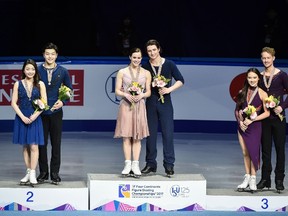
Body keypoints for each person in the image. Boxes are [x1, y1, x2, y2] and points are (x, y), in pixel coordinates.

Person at [141, 39, 184, 176]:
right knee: (150, 135)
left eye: (154, 49)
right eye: (149, 51)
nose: (152, 53)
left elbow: (181, 80)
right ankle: (150, 163)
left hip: (166, 103)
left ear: (159, 49)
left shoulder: (169, 64)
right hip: (151, 102)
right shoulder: (146, 66)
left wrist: (168, 89)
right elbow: (141, 84)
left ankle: (169, 164)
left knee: (168, 134)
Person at [37, 42, 73, 184]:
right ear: (43, 55)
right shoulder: (37, 70)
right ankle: (43, 172)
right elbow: (33, 89)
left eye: (52, 54)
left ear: (56, 55)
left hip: (57, 112)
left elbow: (69, 90)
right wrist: (37, 103)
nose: (50, 56)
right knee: (42, 144)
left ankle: (55, 173)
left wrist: (63, 102)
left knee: (56, 144)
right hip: (40, 113)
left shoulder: (63, 71)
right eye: (47, 54)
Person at [114, 47, 151, 177]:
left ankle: (135, 164)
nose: (136, 60)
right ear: (130, 57)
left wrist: (141, 95)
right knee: (126, 136)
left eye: (139, 58)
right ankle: (127, 164)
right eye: (134, 57)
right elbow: (117, 90)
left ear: (141, 58)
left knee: (137, 136)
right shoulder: (122, 72)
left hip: (139, 106)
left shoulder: (146, 73)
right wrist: (126, 94)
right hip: (126, 105)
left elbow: (148, 92)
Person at [11, 59, 48, 185]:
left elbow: (45, 103)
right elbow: (13, 103)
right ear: (23, 70)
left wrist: (35, 115)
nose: (30, 71)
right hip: (22, 117)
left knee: (33, 145)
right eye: (28, 69)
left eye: (32, 69)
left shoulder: (40, 84)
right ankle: (27, 172)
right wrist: (21, 116)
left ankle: (33, 173)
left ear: (35, 70)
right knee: (25, 145)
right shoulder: (18, 84)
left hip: (34, 118)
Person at [257, 47, 288, 192]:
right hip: (264, 119)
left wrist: (282, 107)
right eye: (263, 58)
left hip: (278, 118)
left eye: (268, 58)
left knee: (280, 149)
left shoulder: (282, 75)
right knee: (266, 150)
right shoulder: (260, 76)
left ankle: (279, 179)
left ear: (273, 58)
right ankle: (265, 179)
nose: (265, 60)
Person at [235, 68, 270, 192]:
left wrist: (252, 120)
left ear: (258, 78)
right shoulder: (242, 91)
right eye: (249, 78)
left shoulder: (262, 93)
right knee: (245, 152)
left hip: (255, 126)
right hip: (242, 126)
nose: (252, 80)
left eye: (254, 77)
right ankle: (247, 178)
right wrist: (240, 122)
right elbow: (236, 110)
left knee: (253, 152)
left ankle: (253, 179)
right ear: (247, 78)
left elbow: (266, 113)